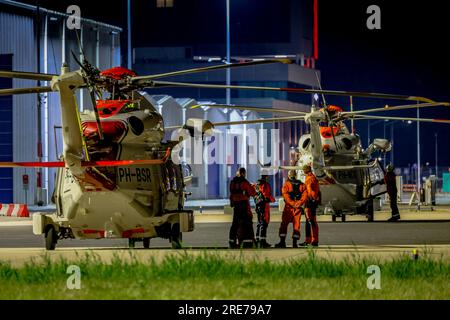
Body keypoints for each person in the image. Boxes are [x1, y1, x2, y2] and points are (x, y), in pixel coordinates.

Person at [275, 170, 307, 248]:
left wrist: (292, 204)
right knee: (296, 225)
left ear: (289, 176)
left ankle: (282, 242)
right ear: (296, 175)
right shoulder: (302, 184)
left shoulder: (286, 184)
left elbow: (286, 196)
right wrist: (298, 204)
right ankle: (295, 243)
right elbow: (305, 196)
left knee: (284, 224)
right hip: (298, 208)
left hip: (289, 208)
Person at [229, 167, 256, 248]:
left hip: (236, 205)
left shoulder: (233, 182)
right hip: (243, 205)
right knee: (247, 223)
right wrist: (253, 187)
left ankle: (232, 242)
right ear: (243, 173)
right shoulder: (245, 182)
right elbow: (252, 193)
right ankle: (248, 242)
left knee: (235, 224)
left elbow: (231, 193)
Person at [253, 173, 275, 248]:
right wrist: (272, 199)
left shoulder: (256, 185)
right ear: (266, 176)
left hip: (258, 206)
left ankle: (257, 240)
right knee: (264, 223)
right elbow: (266, 196)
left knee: (259, 223)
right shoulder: (265, 185)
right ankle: (263, 242)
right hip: (264, 206)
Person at [301, 164, 321, 247]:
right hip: (312, 202)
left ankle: (313, 241)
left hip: (310, 203)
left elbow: (310, 191)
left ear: (305, 170)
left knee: (310, 221)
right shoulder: (312, 177)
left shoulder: (309, 178)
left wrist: (310, 199)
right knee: (309, 221)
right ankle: (309, 240)